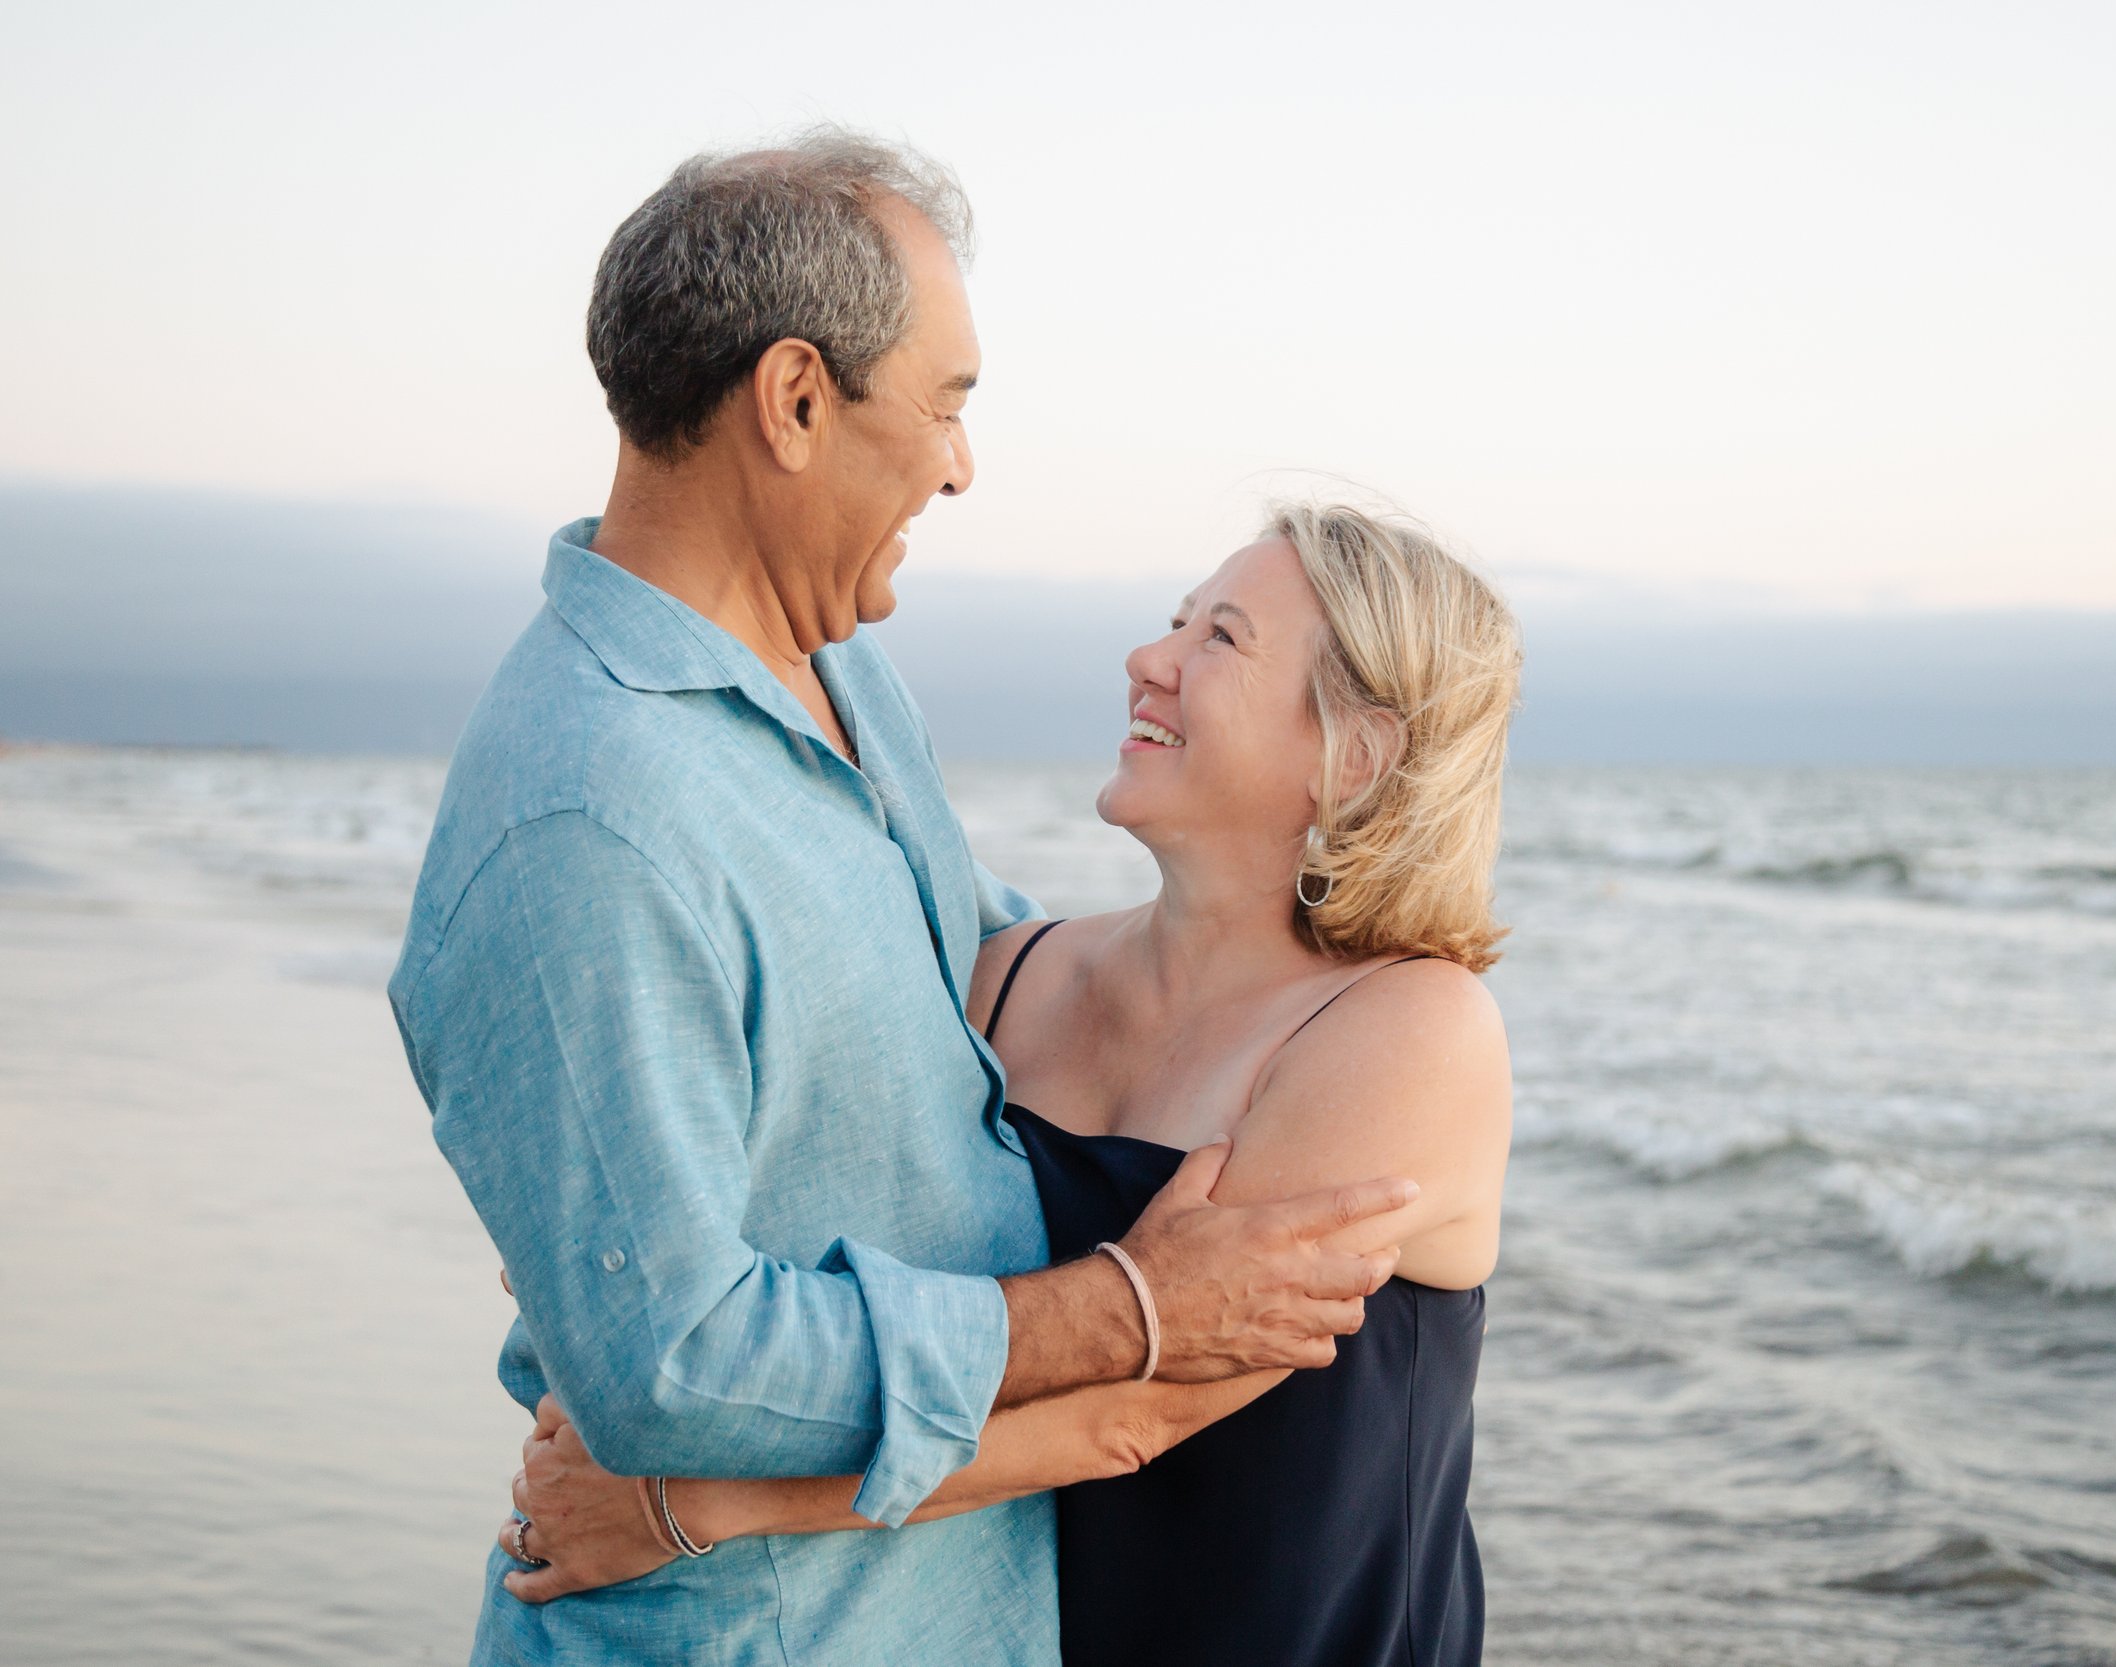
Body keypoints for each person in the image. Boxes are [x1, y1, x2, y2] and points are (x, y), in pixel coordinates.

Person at [387, 131, 1418, 1667]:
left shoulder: (843, 671)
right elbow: (673, 1356)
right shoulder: (583, 813)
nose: (959, 462)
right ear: (796, 402)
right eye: (944, 403)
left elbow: (967, 969)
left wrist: (1303, 967)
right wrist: (1125, 1305)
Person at [497, 502, 1522, 1667]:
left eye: (1222, 638)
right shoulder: (1013, 974)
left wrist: (691, 1504)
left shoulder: (1410, 1030)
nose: (1151, 658)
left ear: (1357, 751)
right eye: (1175, 621)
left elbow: (1137, 1411)